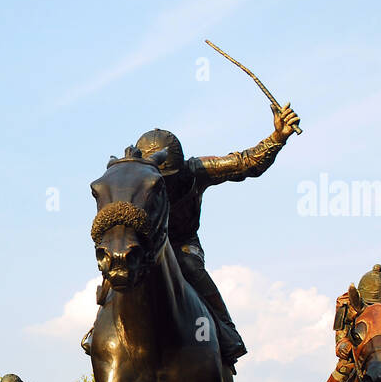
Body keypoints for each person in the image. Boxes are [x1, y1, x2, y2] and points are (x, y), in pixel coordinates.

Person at [86, 104, 301, 367]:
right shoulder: (133, 178)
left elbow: (246, 163)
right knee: (120, 259)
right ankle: (99, 327)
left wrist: (277, 137)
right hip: (147, 242)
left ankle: (225, 329)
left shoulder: (196, 171)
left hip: (182, 244)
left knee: (190, 266)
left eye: (168, 178)